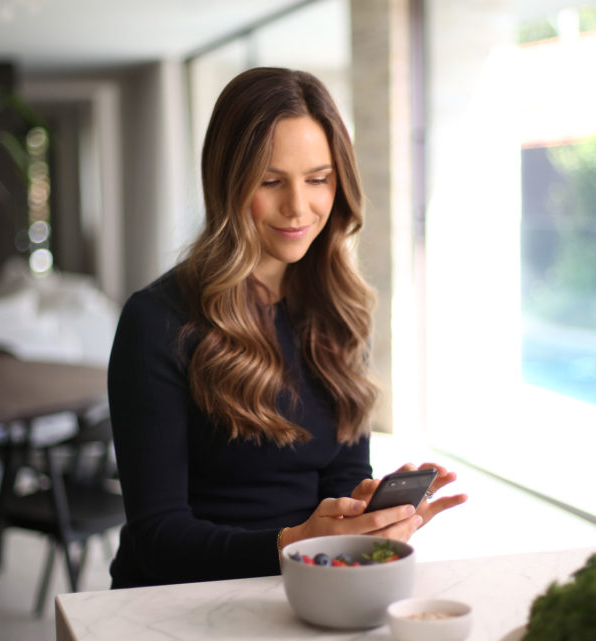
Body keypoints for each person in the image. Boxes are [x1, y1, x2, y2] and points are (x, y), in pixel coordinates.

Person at [107, 66, 466, 588]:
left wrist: (368, 517)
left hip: (303, 583)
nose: (298, 207)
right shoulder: (156, 321)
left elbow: (341, 476)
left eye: (318, 179)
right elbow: (157, 538)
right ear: (226, 184)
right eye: (270, 182)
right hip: (177, 599)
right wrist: (290, 545)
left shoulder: (339, 310)